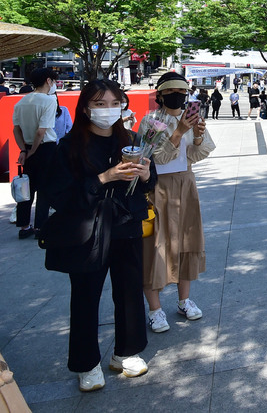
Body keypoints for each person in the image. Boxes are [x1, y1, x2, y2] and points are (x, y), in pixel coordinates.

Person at [45, 79, 156, 392]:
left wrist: (146, 174)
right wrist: (105, 177)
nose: (108, 110)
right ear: (85, 108)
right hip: (88, 233)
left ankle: (126, 352)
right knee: (85, 297)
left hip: (127, 228)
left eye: (114, 103)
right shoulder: (68, 146)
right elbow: (60, 195)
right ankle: (87, 364)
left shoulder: (132, 139)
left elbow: (149, 183)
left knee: (129, 292)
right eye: (100, 104)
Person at [141, 72, 216, 333]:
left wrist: (196, 135)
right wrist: (180, 131)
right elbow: (155, 158)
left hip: (185, 183)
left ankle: (184, 300)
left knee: (187, 241)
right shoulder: (151, 121)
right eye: (172, 92)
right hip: (157, 187)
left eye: (183, 93)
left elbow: (196, 155)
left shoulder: (190, 118)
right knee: (155, 245)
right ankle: (155, 309)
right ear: (159, 95)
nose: (179, 97)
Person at [12, 68, 59, 239]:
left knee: (27, 188)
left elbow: (16, 129)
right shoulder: (49, 101)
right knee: (45, 188)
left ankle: (24, 226)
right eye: (54, 80)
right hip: (45, 148)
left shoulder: (22, 101)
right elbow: (41, 131)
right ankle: (41, 227)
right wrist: (33, 150)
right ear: (48, 80)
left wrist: (25, 150)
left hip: (27, 147)